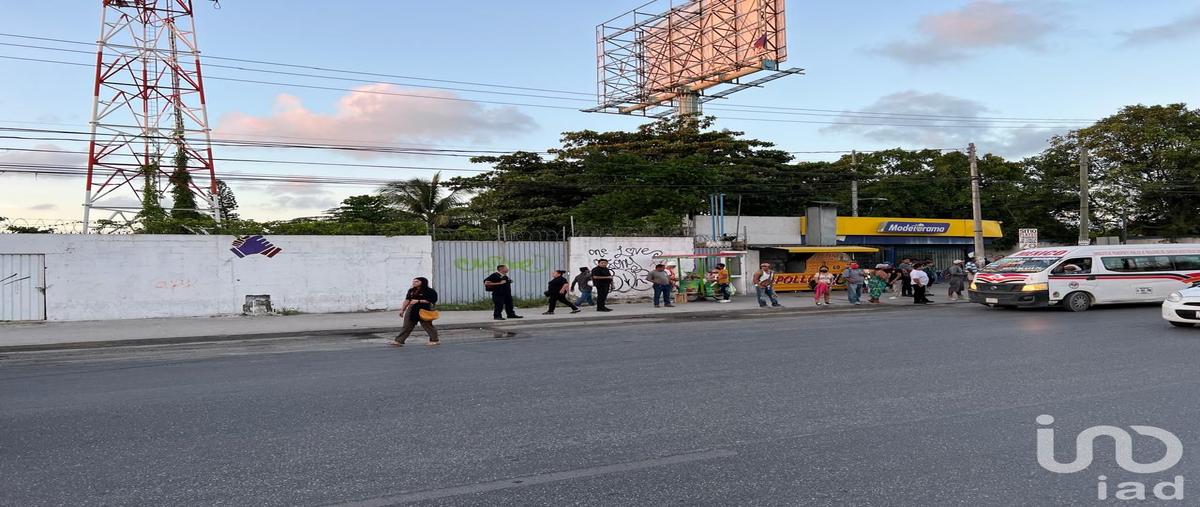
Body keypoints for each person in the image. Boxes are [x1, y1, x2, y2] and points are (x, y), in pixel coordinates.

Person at [393, 277, 439, 346]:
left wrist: (418, 301)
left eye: (417, 281)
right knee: (407, 325)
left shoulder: (430, 291)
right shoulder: (411, 291)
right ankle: (399, 341)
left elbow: (432, 300)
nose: (414, 283)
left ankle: (435, 340)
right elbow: (407, 300)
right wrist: (402, 310)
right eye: (413, 281)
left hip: (424, 309)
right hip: (412, 309)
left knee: (427, 325)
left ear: (423, 282)